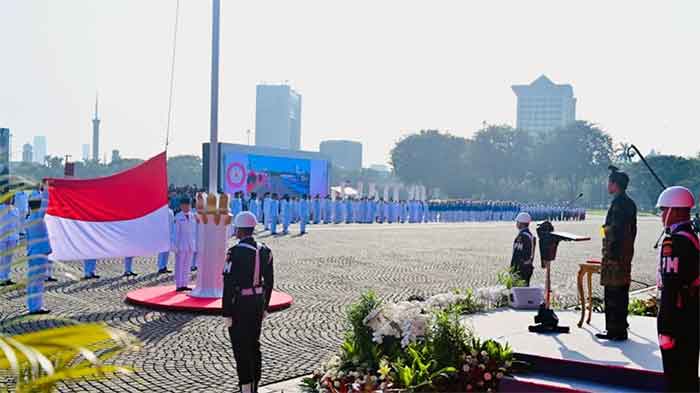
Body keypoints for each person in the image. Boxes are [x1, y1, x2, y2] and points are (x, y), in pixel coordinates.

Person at [222, 211, 274, 393]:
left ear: (240, 231)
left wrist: (226, 312)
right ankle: (255, 385)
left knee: (240, 347)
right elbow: (270, 281)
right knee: (254, 345)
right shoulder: (265, 250)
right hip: (258, 303)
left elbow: (228, 284)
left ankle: (246, 387)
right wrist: (265, 305)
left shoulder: (234, 252)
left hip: (240, 304)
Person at [655, 186, 699, 392]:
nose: (662, 215)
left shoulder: (673, 242)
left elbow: (670, 289)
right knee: (689, 374)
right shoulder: (691, 237)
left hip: (677, 320)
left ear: (678, 211)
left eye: (665, 210)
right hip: (692, 315)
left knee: (675, 377)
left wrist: (664, 327)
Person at [597, 167, 637, 341]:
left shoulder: (618, 203)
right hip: (625, 254)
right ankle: (621, 326)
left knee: (612, 294)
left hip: (614, 254)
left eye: (609, 182)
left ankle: (614, 330)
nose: (607, 185)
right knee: (622, 292)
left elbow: (611, 230)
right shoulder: (629, 203)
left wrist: (602, 235)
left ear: (615, 184)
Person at [25, 197, 51, 314]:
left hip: (32, 252)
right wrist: (47, 187)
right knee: (38, 281)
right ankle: (36, 307)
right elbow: (46, 202)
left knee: (32, 281)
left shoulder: (29, 218)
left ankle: (32, 306)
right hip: (39, 253)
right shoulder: (37, 218)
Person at [173, 198, 196, 291]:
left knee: (187, 265)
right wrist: (175, 246)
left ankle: (185, 283)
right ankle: (179, 285)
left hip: (190, 245)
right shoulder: (178, 217)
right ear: (181, 206)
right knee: (179, 265)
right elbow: (175, 233)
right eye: (184, 205)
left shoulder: (192, 216)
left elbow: (194, 232)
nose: (186, 207)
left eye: (188, 205)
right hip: (181, 245)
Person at [510, 212, 535, 286]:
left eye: (517, 222)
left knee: (518, 292)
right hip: (527, 268)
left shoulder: (521, 237)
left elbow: (516, 255)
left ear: (521, 223)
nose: (516, 224)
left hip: (520, 269)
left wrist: (512, 268)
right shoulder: (530, 236)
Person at [0, 199, 20, 286]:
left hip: (13, 237)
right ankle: (1, 278)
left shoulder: (16, 209)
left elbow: (17, 224)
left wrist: (17, 237)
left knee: (9, 258)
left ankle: (7, 277)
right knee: (1, 259)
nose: (9, 199)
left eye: (11, 197)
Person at [157, 207, 175, 274]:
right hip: (162, 233)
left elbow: (172, 223)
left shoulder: (171, 211)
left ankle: (164, 266)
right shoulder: (160, 211)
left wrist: (173, 233)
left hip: (169, 233)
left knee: (167, 252)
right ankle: (160, 267)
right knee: (161, 251)